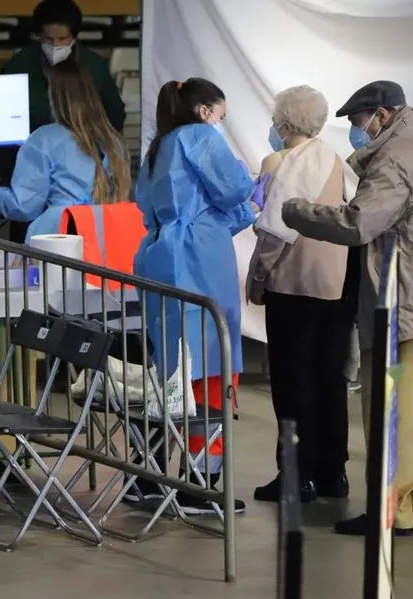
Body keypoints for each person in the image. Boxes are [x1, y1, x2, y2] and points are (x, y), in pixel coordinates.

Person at [281, 80, 413, 536]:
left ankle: (391, 511)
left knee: (392, 407)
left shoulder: (394, 161)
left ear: (381, 115)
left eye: (357, 121)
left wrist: (296, 211)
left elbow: (357, 223)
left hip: (403, 306)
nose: (355, 130)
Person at [133, 78, 262, 515]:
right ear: (206, 111)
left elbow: (177, 207)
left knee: (166, 370)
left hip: (159, 255)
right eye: (221, 116)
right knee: (209, 371)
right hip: (200, 264)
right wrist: (250, 184)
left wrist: (243, 208)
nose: (221, 124)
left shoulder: (158, 147)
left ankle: (145, 477)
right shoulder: (201, 137)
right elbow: (232, 189)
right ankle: (200, 485)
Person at [244, 85, 351, 504]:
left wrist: (257, 278)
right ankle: (333, 472)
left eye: (276, 122)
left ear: (286, 125)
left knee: (292, 382)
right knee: (330, 377)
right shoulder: (334, 159)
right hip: (334, 284)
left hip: (293, 286)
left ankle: (296, 475)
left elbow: (276, 229)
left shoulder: (281, 162)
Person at [0, 0, 127, 241]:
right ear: (38, 35)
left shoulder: (94, 68)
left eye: (62, 39)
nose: (55, 45)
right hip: (26, 175)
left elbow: (114, 116)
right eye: (49, 39)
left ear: (74, 37)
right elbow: (2, 121)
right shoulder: (20, 64)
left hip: (80, 185)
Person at [0, 58, 131, 242]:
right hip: (108, 244)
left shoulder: (44, 140)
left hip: (57, 243)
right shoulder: (116, 143)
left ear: (54, 97)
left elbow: (24, 207)